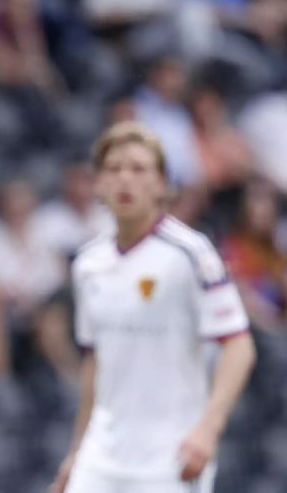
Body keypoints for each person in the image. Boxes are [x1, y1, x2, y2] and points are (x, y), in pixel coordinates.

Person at [52, 121, 257, 493]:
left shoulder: (192, 254)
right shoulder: (88, 265)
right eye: (113, 169)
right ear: (98, 183)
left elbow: (239, 346)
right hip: (101, 459)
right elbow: (96, 363)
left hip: (171, 458)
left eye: (138, 169)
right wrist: (76, 453)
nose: (125, 180)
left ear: (162, 184)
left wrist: (208, 430)